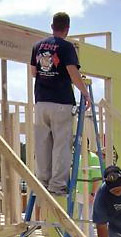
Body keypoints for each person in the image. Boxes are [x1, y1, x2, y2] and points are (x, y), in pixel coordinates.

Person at [30, 12, 91, 195]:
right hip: (61, 102)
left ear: (52, 26)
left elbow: (34, 72)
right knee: (61, 145)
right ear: (67, 28)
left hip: (41, 102)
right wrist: (85, 93)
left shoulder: (37, 46)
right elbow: (72, 71)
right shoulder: (66, 47)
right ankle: (57, 185)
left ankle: (42, 182)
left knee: (42, 144)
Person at [77, 149, 102, 237]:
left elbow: (97, 178)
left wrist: (92, 193)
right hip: (80, 194)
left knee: (86, 222)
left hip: (89, 194)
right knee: (81, 222)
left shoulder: (93, 158)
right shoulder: (79, 158)